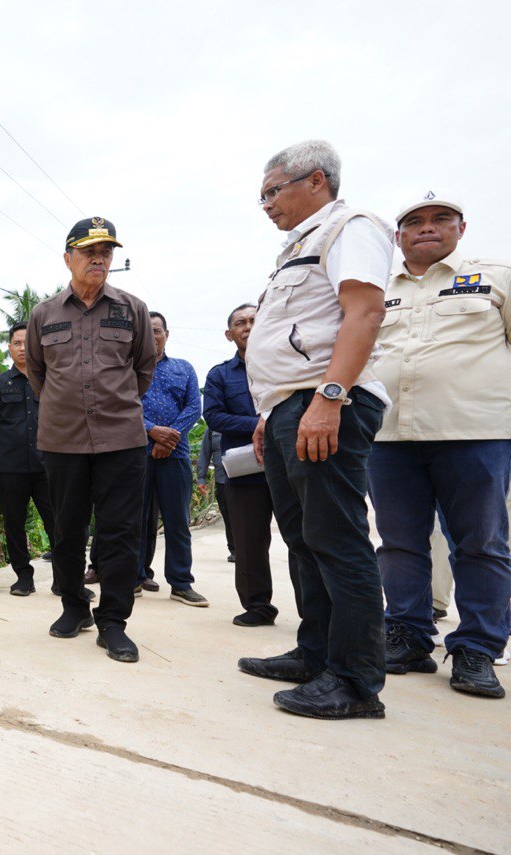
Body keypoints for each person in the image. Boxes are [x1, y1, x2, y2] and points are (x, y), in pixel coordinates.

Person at [237, 140, 393, 720]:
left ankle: (355, 682)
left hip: (324, 402)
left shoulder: (350, 227)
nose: (267, 205)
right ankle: (316, 653)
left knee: (338, 540)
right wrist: (268, 413)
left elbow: (364, 312)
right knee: (304, 541)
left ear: (317, 180)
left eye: (273, 191)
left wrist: (331, 397)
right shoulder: (295, 248)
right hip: (287, 408)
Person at [367, 193, 511, 699]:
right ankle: (406, 633)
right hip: (389, 435)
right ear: (398, 235)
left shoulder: (494, 276)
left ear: (461, 228)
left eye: (440, 219)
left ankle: (476, 648)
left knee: (480, 543)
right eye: (414, 222)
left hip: (474, 432)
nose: (427, 228)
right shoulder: (376, 289)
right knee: (399, 542)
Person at [27, 217, 156, 663]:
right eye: (88, 251)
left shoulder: (132, 308)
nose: (99, 258)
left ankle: (114, 622)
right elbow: (39, 375)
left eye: (106, 251)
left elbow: (143, 369)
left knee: (120, 532)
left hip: (121, 439)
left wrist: (115, 405)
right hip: (62, 440)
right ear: (68, 258)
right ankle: (74, 607)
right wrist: (66, 409)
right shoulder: (44, 313)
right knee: (66, 530)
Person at [204, 303, 294, 627]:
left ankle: (314, 611)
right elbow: (212, 416)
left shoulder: (289, 366)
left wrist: (269, 422)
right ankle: (257, 607)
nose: (249, 326)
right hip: (245, 469)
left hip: (288, 464)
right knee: (249, 542)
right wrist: (260, 422)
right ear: (230, 334)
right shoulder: (219, 375)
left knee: (299, 538)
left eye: (255, 320)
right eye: (241, 322)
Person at [0, 322, 56, 597]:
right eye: (17, 344)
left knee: (57, 521)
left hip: (48, 464)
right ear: (9, 348)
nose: (23, 348)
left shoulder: (49, 380)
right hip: (10, 467)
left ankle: (63, 577)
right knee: (14, 523)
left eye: (27, 343)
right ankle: (23, 576)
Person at [137, 312, 206, 606]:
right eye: (146, 331)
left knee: (178, 520)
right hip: (137, 454)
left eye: (157, 330)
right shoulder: (128, 372)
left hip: (175, 455)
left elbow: (194, 407)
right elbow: (121, 406)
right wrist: (152, 430)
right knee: (135, 520)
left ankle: (180, 583)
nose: (152, 336)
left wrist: (170, 437)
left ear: (166, 333)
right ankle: (134, 577)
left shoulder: (183, 368)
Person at [194, 429, 234, 563]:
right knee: (228, 517)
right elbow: (205, 454)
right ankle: (234, 550)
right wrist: (201, 478)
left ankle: (249, 549)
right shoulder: (212, 427)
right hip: (222, 480)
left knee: (245, 516)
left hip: (246, 477)